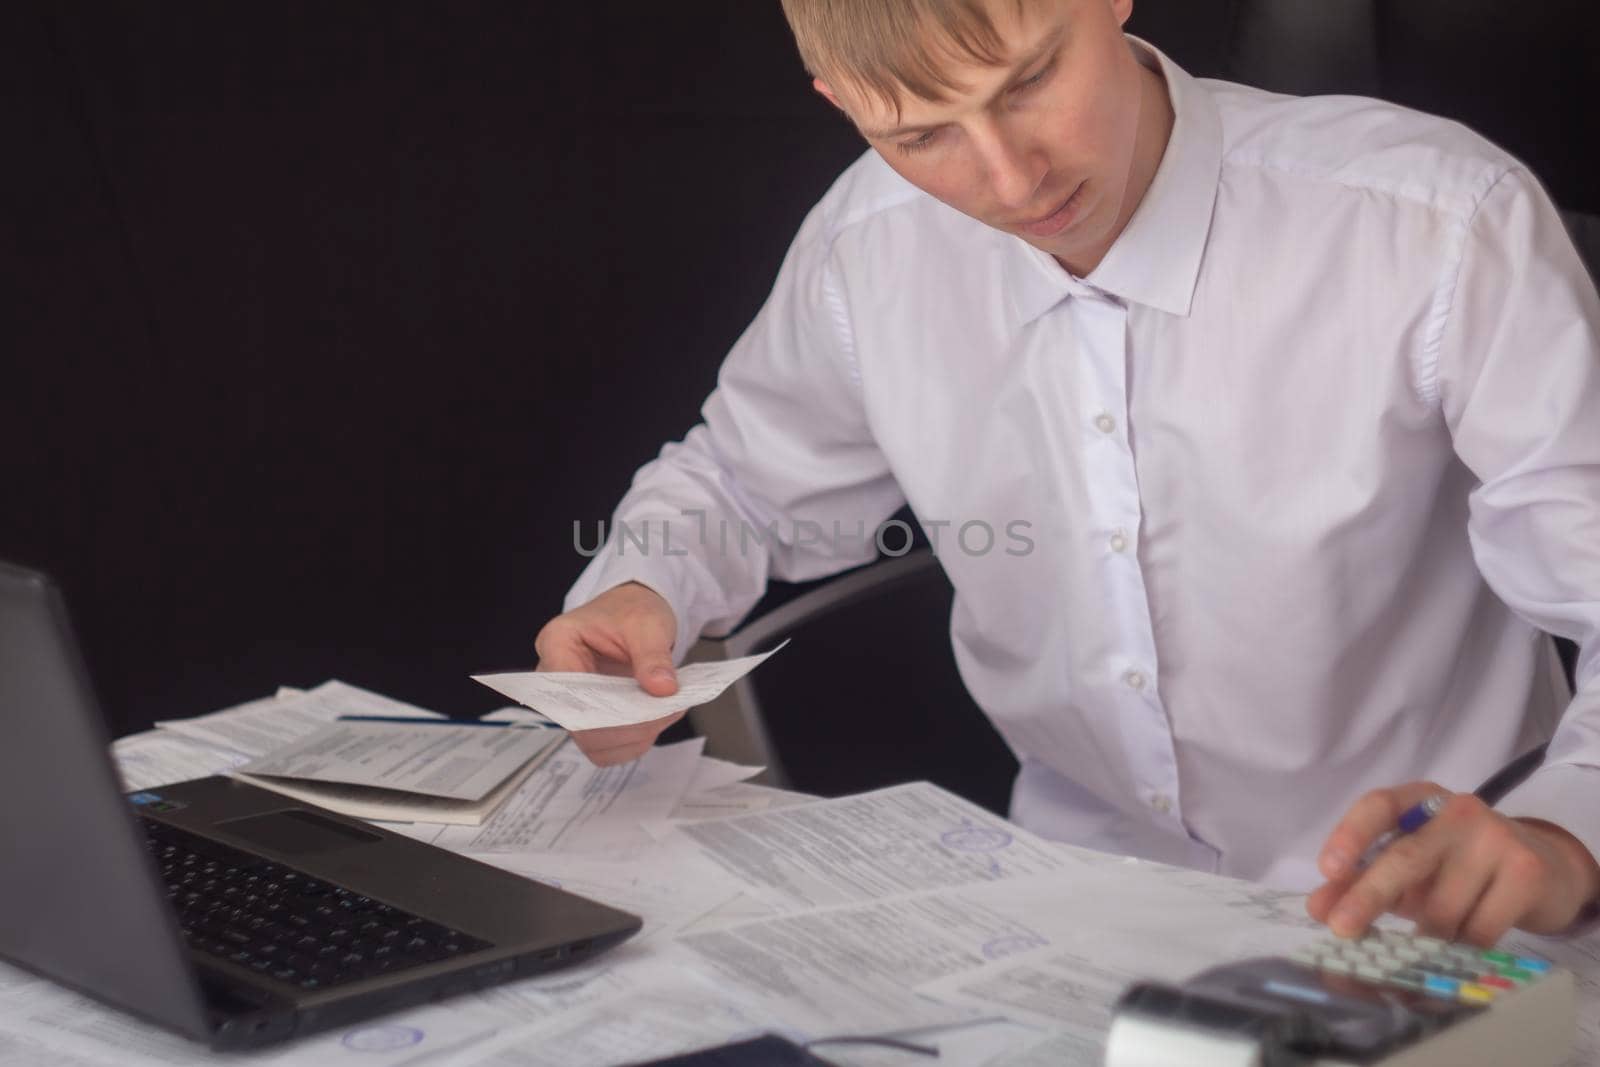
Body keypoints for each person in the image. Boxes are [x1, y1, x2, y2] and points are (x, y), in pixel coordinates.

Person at [535, 0, 1600, 945]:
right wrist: (645, 590)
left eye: (1028, 82)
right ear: (839, 102)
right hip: (1066, 911)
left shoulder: (1437, 225)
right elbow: (738, 481)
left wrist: (1561, 832)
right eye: (920, 133)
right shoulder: (869, 244)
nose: (1009, 181)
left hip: (1440, 903)